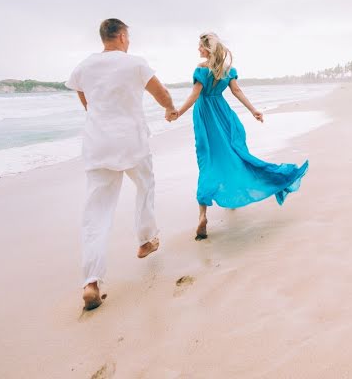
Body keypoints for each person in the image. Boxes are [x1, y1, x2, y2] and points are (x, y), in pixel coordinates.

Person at [66, 18, 178, 310]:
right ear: (122, 36)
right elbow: (161, 93)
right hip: (132, 141)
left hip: (98, 144)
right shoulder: (135, 63)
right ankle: (146, 239)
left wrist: (99, 116)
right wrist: (170, 108)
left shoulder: (84, 66)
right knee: (144, 185)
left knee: (96, 212)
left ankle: (91, 282)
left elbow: (83, 96)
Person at [174, 32, 308, 240]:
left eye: (200, 47)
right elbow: (237, 92)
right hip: (224, 115)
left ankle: (202, 215)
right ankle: (235, 194)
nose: (198, 50)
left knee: (207, 160)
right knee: (235, 156)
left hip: (205, 117)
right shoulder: (227, 70)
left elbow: (194, 95)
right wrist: (254, 110)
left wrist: (177, 113)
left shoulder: (201, 69)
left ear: (206, 49)